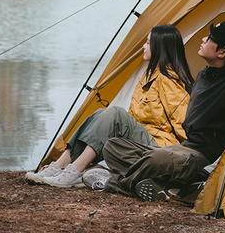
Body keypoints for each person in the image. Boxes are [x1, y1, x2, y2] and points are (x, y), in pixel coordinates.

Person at [84, 21, 225, 201]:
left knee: (157, 158)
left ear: (222, 52)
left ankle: (116, 183)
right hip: (184, 148)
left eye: (209, 38)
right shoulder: (203, 75)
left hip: (203, 157)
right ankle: (166, 186)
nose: (203, 39)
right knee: (113, 146)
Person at [25, 24, 193, 188]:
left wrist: (185, 161)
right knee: (99, 113)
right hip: (142, 141)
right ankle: (60, 165)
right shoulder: (148, 76)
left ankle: (74, 171)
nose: (144, 46)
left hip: (160, 147)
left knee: (115, 114)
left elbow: (185, 125)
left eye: (148, 42)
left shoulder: (169, 80)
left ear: (160, 47)